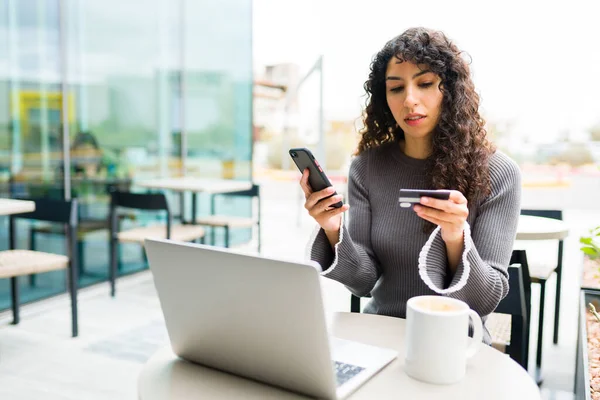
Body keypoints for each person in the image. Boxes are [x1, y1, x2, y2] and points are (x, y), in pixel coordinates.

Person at [300, 27, 521, 344]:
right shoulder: (367, 167)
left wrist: (455, 236)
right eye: (396, 88)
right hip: (379, 336)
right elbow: (363, 282)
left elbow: (484, 301)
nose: (409, 100)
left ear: (452, 91)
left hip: (456, 344)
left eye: (426, 84)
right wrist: (333, 229)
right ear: (383, 97)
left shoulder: (499, 172)